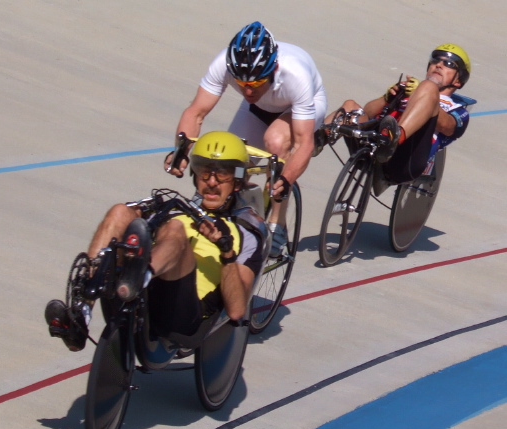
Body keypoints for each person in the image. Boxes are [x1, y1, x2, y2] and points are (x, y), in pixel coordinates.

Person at [45, 131, 266, 352]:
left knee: (175, 230)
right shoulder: (177, 210)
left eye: (222, 175)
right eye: (204, 172)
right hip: (142, 295)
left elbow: (236, 310)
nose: (211, 182)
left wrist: (226, 251)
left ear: (237, 182)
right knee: (121, 211)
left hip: (183, 315)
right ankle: (81, 313)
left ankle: (139, 277)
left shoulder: (245, 233)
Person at [165, 21, 326, 257]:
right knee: (231, 158)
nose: (248, 91)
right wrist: (181, 150)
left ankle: (277, 223)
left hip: (300, 106)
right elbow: (196, 112)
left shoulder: (295, 75)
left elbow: (304, 143)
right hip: (260, 108)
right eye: (241, 85)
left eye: (255, 84)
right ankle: (233, 208)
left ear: (274, 68)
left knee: (275, 141)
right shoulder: (224, 65)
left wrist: (287, 179)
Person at [315, 44, 472, 195]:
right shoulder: (411, 90)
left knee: (428, 87)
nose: (439, 65)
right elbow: (367, 113)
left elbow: (448, 126)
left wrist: (425, 91)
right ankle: (312, 143)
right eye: (435, 60)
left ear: (458, 80)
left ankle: (393, 139)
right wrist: (387, 98)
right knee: (350, 106)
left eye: (449, 64)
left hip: (405, 160)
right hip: (375, 143)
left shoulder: (457, 109)